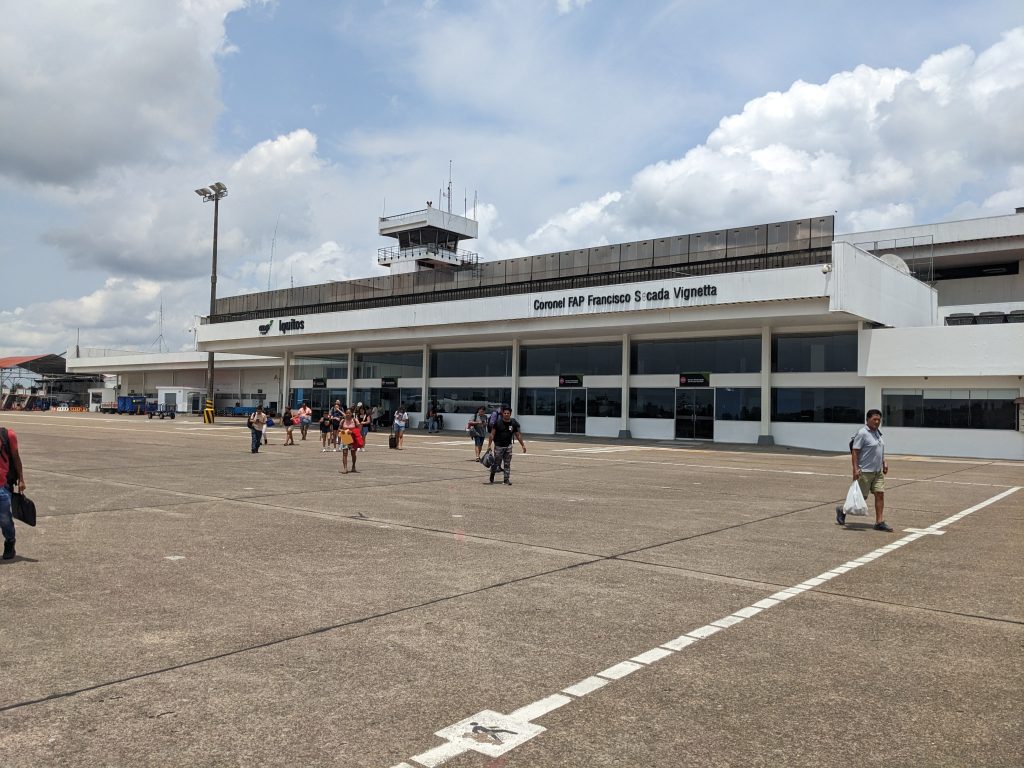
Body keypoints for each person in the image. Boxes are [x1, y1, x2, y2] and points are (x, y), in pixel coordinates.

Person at [837, 409, 891, 531]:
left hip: (877, 472)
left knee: (880, 494)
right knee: (860, 498)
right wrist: (855, 469)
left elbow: (879, 449)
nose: (877, 422)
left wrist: (884, 462)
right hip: (864, 472)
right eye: (874, 419)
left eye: (878, 420)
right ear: (867, 420)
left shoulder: (877, 433)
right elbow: (855, 452)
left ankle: (879, 522)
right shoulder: (862, 433)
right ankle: (842, 510)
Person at [0, 425, 27, 560]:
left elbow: (16, 458)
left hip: (2, 486)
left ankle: (10, 541)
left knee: (4, 519)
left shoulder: (7, 435)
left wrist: (21, 479)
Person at [486, 407, 526, 485]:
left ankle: (506, 479)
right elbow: (492, 434)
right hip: (498, 446)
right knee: (496, 463)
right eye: (505, 413)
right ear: (502, 414)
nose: (506, 414)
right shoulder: (497, 423)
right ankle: (492, 474)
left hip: (508, 446)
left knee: (507, 463)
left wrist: (523, 445)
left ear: (510, 414)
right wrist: (489, 445)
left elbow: (518, 435)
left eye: (508, 413)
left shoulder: (513, 423)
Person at [339, 408, 360, 473]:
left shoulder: (355, 420)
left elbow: (359, 429)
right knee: (345, 453)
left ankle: (353, 466)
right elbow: (339, 429)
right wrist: (343, 431)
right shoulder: (342, 421)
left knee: (353, 454)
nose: (347, 414)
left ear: (351, 414)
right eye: (346, 413)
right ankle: (345, 468)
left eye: (349, 413)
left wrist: (352, 432)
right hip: (345, 437)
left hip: (353, 438)